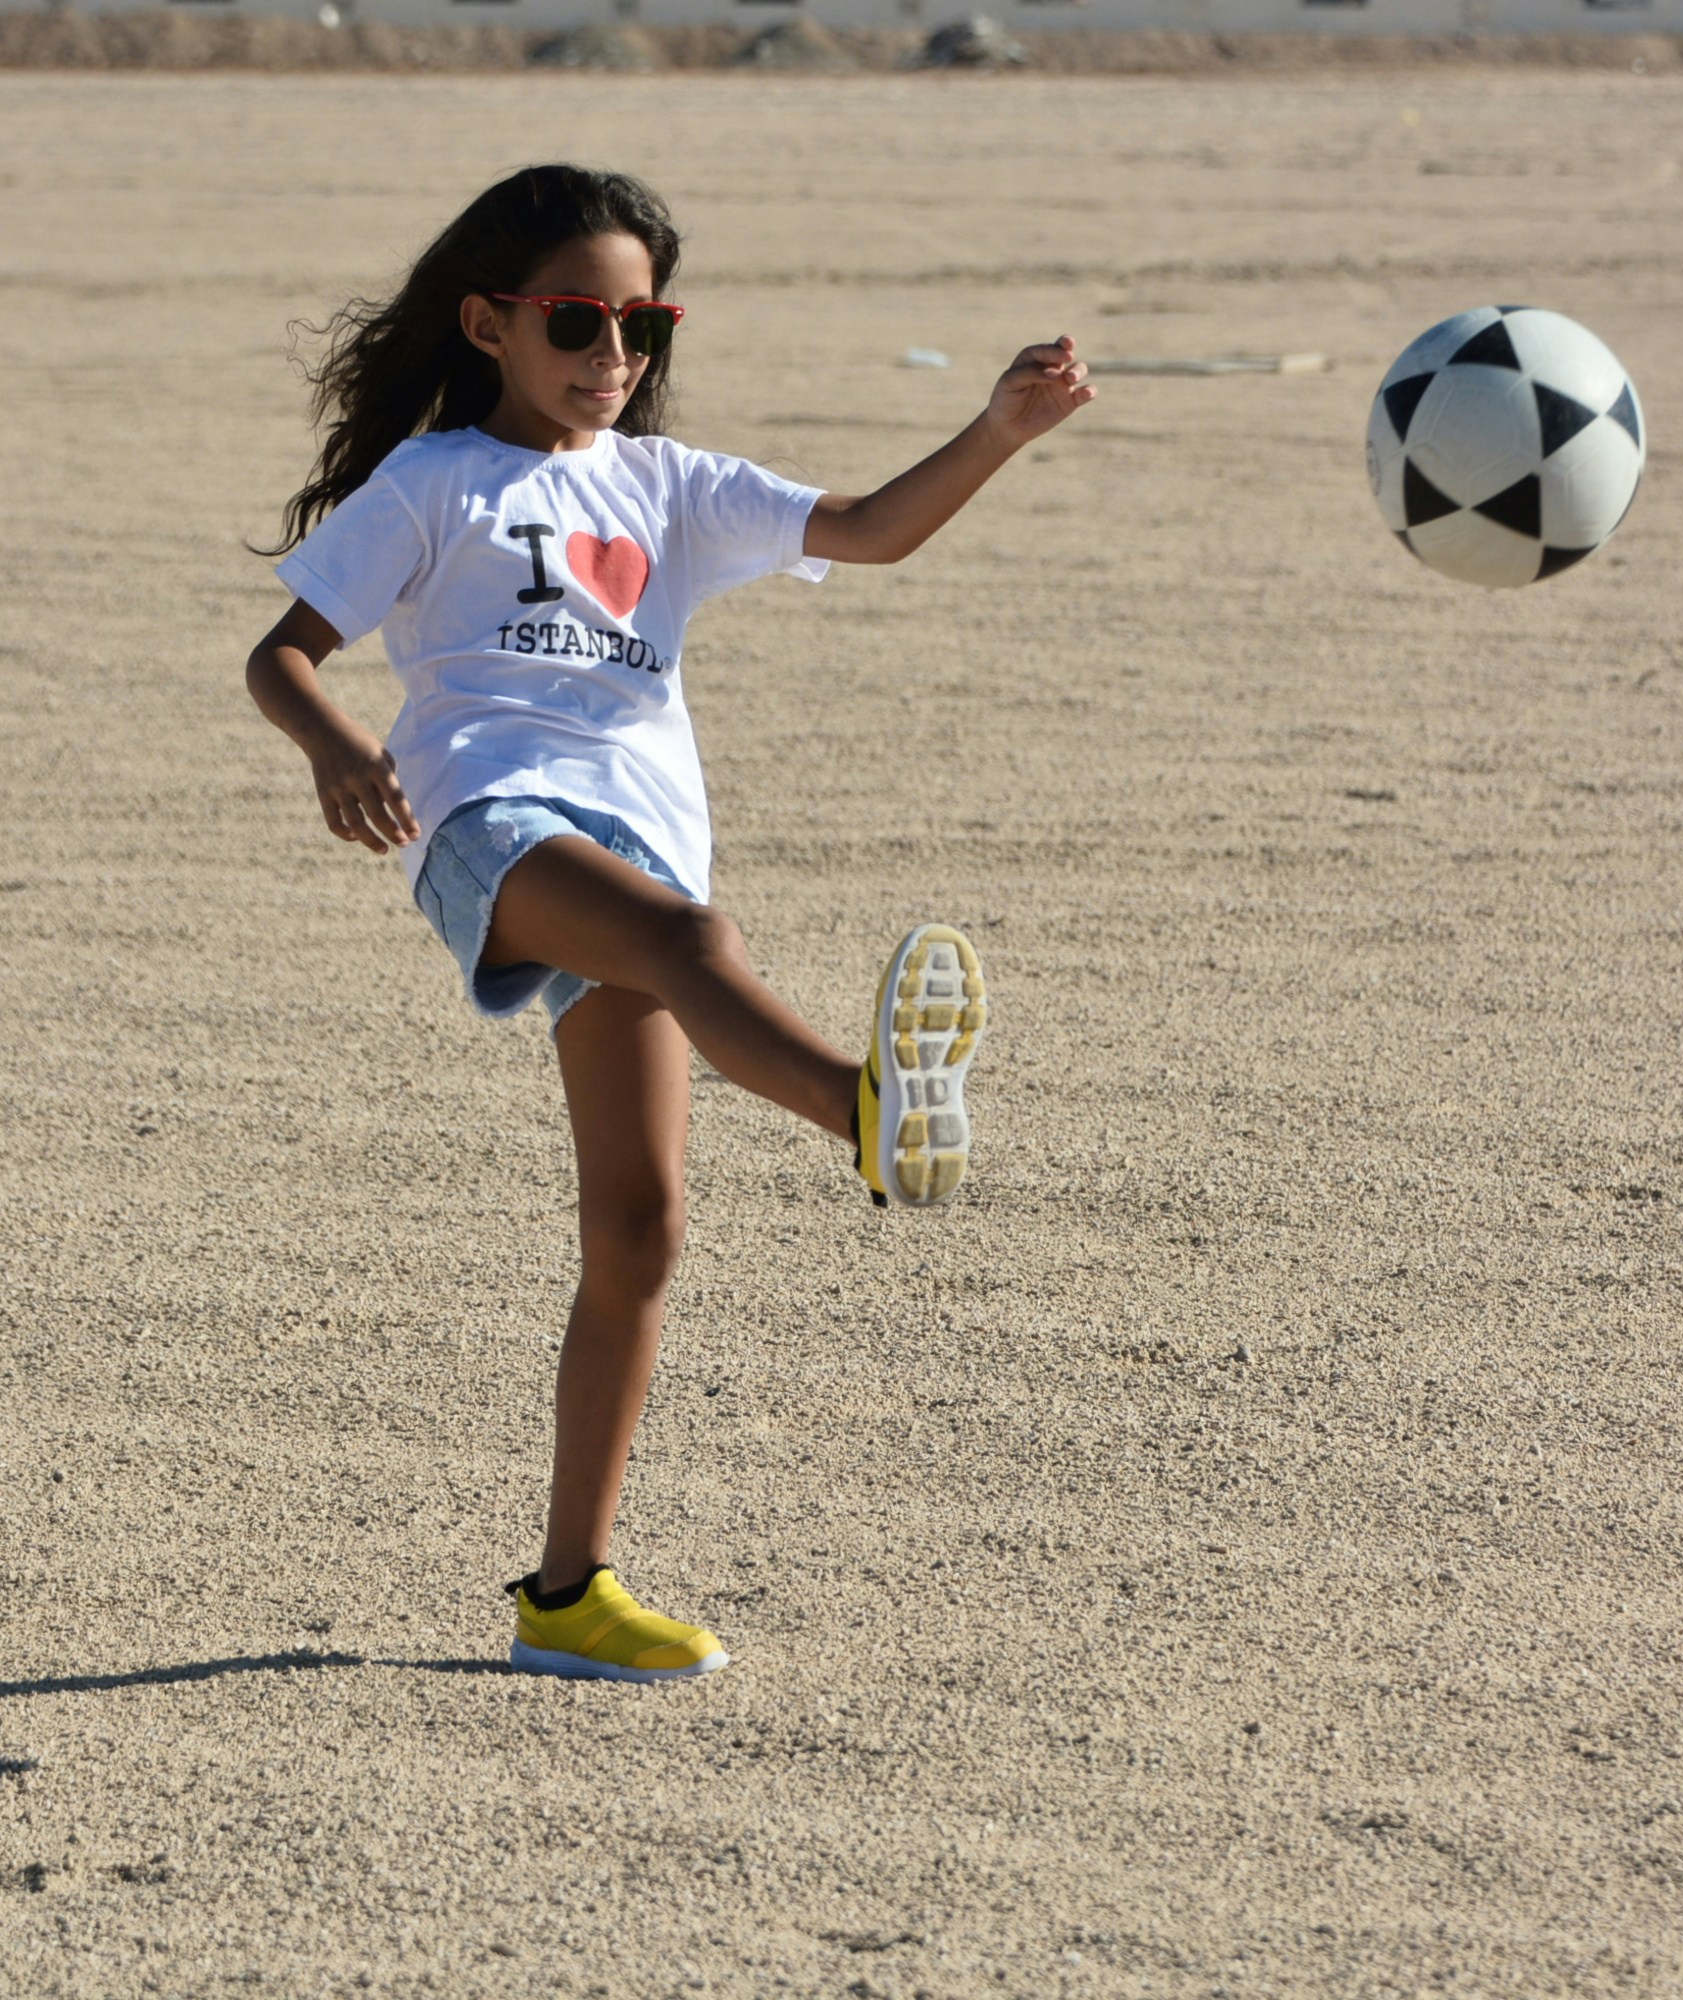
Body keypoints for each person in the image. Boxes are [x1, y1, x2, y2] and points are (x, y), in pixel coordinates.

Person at [243, 164, 1093, 1682]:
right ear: (490, 323)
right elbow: (284, 653)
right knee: (701, 954)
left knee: (640, 1228)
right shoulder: (434, 486)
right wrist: (337, 748)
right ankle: (869, 1112)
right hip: (491, 826)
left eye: (643, 321)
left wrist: (999, 432)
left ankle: (565, 1599)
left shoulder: (669, 486)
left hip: (636, 840)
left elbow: (876, 530)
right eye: (580, 319)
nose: (614, 351)